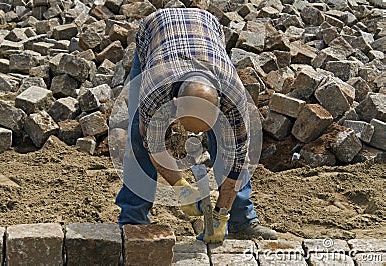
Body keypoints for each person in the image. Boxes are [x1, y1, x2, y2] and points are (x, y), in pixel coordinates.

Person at [114, 8, 277, 243]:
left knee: (226, 146)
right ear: (175, 104)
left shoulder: (235, 101)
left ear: (219, 107)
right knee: (138, 138)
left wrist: (221, 214)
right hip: (156, 33)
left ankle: (242, 221)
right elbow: (154, 146)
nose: (194, 135)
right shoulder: (155, 92)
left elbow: (237, 163)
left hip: (206, 30)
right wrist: (182, 187)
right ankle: (133, 220)